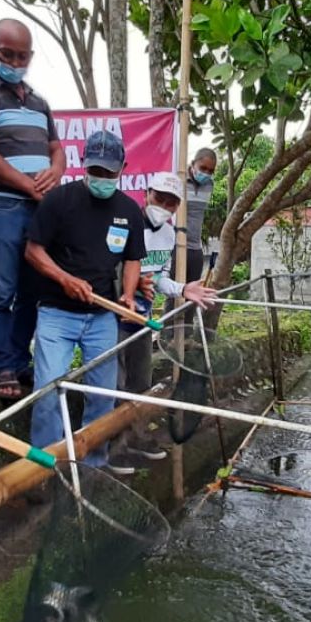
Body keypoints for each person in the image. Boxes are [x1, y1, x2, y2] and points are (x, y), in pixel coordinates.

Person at [25, 131, 143, 468]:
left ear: (123, 167)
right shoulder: (59, 200)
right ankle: (46, 467)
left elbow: (132, 258)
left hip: (102, 317)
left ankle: (94, 466)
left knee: (102, 395)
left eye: (109, 172)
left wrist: (128, 295)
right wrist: (64, 278)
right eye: (96, 171)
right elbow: (33, 251)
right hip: (56, 314)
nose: (102, 178)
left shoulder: (129, 210)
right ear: (83, 165)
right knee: (49, 390)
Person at [0, 18, 66, 401]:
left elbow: (56, 148)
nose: (13, 60)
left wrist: (56, 172)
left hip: (41, 208)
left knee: (31, 289)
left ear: (30, 56)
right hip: (6, 203)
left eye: (20, 55)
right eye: (6, 53)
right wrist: (26, 183)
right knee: (0, 287)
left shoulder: (40, 102)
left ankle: (19, 358)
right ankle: (0, 364)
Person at [107, 172, 217, 475]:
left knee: (140, 382)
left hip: (144, 318)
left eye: (172, 202)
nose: (164, 206)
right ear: (146, 194)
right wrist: (129, 284)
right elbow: (107, 268)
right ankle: (114, 448)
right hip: (115, 314)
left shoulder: (169, 235)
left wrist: (182, 289)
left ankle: (137, 437)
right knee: (115, 384)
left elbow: (160, 278)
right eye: (160, 198)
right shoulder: (123, 224)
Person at [185, 148, 218, 282]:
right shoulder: (179, 179)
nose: (206, 173)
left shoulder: (209, 185)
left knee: (193, 294)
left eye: (211, 171)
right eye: (203, 168)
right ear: (193, 164)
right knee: (175, 295)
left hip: (196, 246)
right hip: (178, 245)